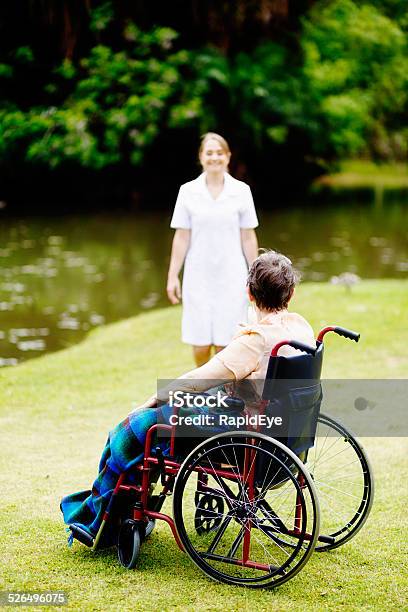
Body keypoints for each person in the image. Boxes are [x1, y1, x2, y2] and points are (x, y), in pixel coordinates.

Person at [61, 251, 315, 545]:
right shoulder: (300, 329)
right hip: (283, 434)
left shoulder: (256, 341)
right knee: (175, 412)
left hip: (244, 438)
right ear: (291, 294)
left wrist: (151, 400)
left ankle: (100, 516)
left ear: (248, 293)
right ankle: (118, 504)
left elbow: (197, 381)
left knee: (136, 427)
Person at [167, 132, 259, 368]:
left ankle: (223, 394)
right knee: (200, 344)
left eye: (219, 153)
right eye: (209, 153)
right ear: (201, 157)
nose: (214, 157)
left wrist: (256, 274)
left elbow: (248, 236)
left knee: (226, 343)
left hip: (232, 275)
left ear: (228, 157)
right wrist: (172, 276)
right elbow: (181, 236)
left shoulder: (241, 191)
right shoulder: (187, 191)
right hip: (197, 275)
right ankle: (203, 386)